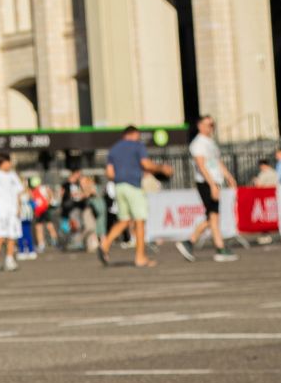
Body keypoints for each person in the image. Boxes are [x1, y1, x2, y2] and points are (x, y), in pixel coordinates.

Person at [101, 125, 169, 268]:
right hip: (133, 186)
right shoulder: (137, 146)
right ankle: (140, 257)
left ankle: (105, 244)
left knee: (124, 220)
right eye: (138, 135)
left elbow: (110, 173)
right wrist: (161, 168)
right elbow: (146, 164)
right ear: (132, 134)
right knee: (139, 221)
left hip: (119, 186)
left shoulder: (114, 149)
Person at [180, 114, 239, 262]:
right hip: (205, 183)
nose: (211, 128)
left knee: (213, 216)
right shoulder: (198, 143)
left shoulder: (210, 142)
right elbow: (201, 165)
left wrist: (228, 177)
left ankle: (198, 243)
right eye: (208, 125)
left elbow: (217, 162)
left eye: (212, 125)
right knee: (213, 215)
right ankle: (211, 246)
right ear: (200, 126)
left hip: (214, 181)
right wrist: (212, 184)